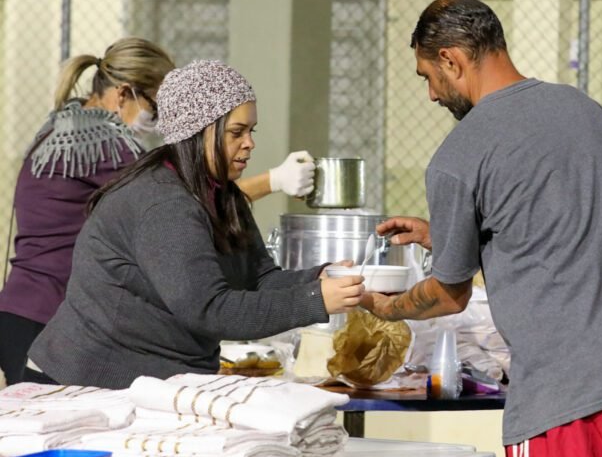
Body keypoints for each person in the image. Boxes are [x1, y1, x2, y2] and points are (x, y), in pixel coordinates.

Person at [360, 0, 602, 457]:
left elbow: (449, 294)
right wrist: (445, 236)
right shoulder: (585, 111)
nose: (431, 94)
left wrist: (384, 307)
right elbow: (557, 227)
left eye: (427, 77)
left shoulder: (459, 155)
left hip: (564, 398)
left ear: (450, 60)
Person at [26, 60, 364, 389]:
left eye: (251, 131)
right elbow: (208, 310)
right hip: (86, 380)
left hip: (153, 379)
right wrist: (314, 300)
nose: (250, 143)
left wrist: (318, 279)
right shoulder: (164, 203)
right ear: (197, 133)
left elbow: (258, 279)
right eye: (236, 132)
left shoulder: (222, 194)